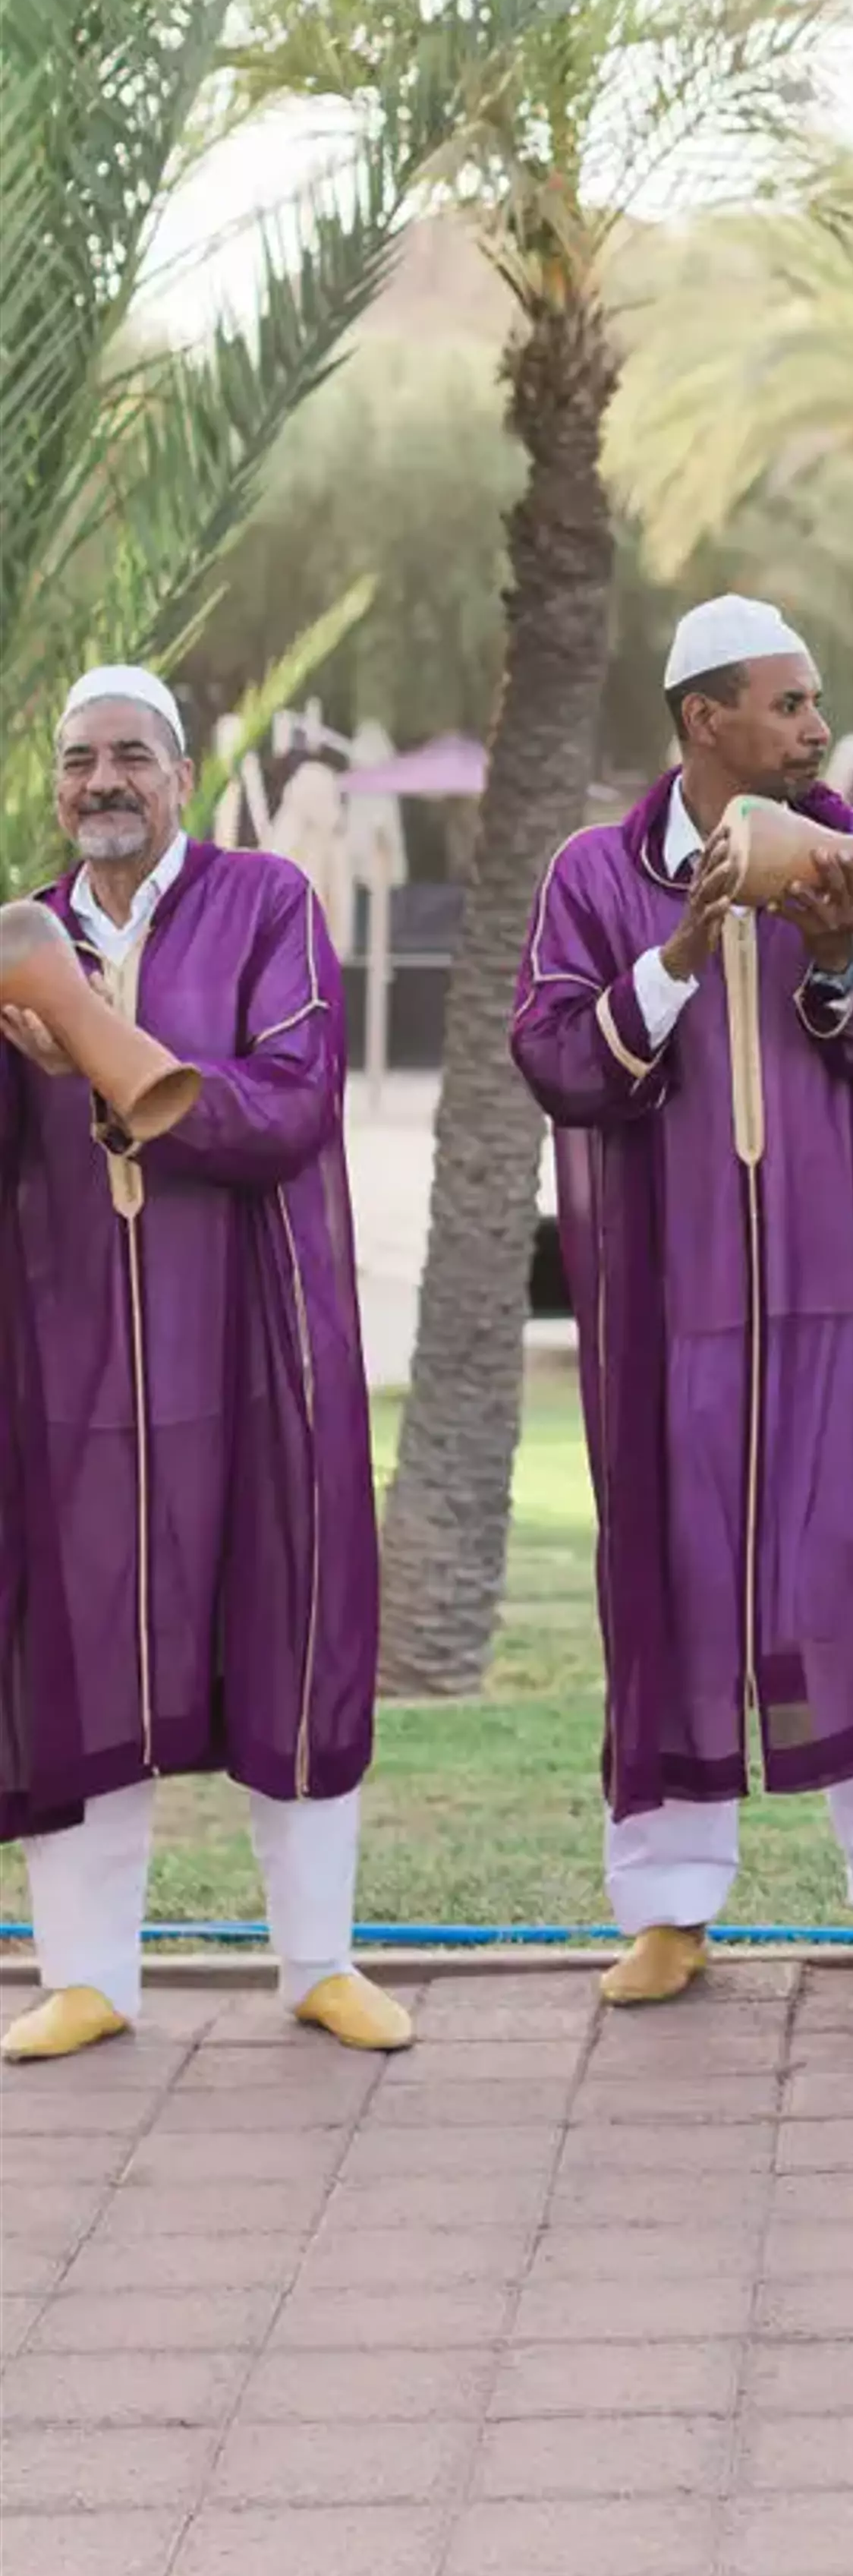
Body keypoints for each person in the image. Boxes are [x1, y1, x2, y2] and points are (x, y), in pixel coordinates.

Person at [511, 595, 853, 2008]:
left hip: (837, 1298)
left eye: (819, 703)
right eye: (789, 706)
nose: (819, 730)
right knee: (672, 1578)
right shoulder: (598, 876)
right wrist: (672, 954)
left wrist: (838, 954)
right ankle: (667, 1912)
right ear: (705, 721)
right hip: (672, 1310)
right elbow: (555, 1059)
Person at [1, 672, 408, 2060]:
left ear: (180, 774)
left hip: (255, 1346)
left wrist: (104, 1059)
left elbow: (289, 1105)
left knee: (287, 1629)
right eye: (77, 762)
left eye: (128, 756)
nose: (100, 782)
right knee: (83, 1646)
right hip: (75, 1364)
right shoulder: (21, 939)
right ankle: (90, 1978)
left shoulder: (267, 905)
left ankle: (318, 1963)